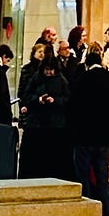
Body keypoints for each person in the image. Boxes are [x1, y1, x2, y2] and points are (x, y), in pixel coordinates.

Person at [68, 47, 109, 216]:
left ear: (87, 64)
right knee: (103, 183)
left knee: (83, 180)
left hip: (83, 138)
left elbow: (72, 108)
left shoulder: (82, 81)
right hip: (103, 140)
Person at [18, 40, 72, 179]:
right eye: (46, 70)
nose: (48, 73)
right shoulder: (37, 78)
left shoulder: (61, 80)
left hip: (54, 126)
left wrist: (55, 101)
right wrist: (38, 100)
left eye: (51, 70)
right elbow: (26, 95)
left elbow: (67, 99)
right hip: (37, 125)